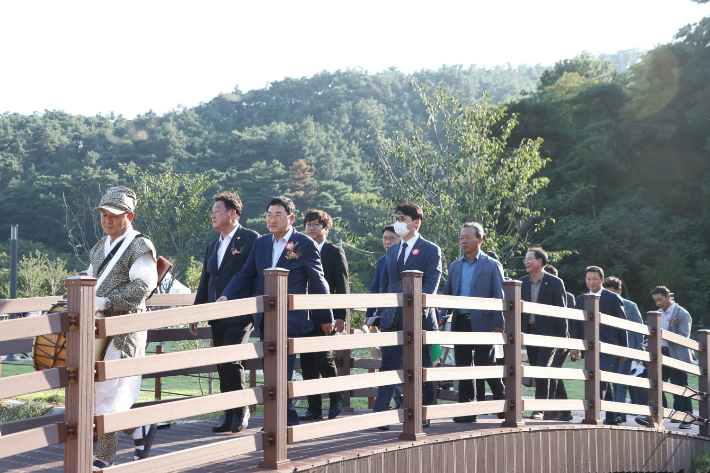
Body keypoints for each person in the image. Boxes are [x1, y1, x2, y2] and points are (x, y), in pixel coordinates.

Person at [218, 196, 333, 426]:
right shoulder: (261, 243)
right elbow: (246, 273)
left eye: (277, 215)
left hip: (291, 319)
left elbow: (318, 282)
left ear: (290, 218)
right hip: (267, 318)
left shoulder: (304, 244)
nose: (272, 219)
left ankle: (283, 420)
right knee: (271, 371)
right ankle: (284, 418)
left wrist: (326, 315)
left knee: (283, 371)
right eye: (269, 215)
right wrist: (227, 294)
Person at [88, 186, 158, 470]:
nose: (107, 220)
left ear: (129, 216)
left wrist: (106, 301)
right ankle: (139, 427)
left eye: (113, 215)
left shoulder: (141, 245)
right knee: (96, 390)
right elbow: (90, 279)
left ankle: (104, 459)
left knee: (110, 392)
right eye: (104, 214)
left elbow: (143, 286)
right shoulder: (98, 247)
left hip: (125, 330)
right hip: (98, 329)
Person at [190, 192, 260, 433]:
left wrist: (256, 308)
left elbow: (256, 274)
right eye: (212, 210)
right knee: (221, 363)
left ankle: (241, 411)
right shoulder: (213, 246)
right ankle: (228, 414)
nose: (212, 214)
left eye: (217, 210)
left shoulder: (250, 238)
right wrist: (196, 312)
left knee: (232, 360)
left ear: (233, 213)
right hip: (216, 314)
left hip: (241, 313)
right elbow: (205, 282)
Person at [374, 201, 442, 430]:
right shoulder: (392, 250)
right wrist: (378, 313)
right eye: (397, 217)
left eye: (402, 218)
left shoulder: (430, 249)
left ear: (416, 222)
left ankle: (423, 412)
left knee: (422, 367)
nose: (398, 222)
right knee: (388, 365)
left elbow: (432, 282)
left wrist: (417, 308)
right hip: (392, 317)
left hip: (420, 317)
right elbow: (385, 285)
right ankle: (380, 414)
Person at [437, 222, 505, 423]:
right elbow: (448, 293)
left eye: (467, 237)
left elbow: (499, 295)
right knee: (463, 366)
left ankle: (503, 403)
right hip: (460, 321)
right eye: (461, 238)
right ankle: (468, 409)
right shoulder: (455, 266)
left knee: (486, 364)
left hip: (484, 322)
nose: (463, 241)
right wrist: (443, 315)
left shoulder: (492, 265)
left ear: (479, 240)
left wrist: (499, 321)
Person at [299, 209, 348, 421]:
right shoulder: (299, 250)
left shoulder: (334, 252)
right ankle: (314, 408)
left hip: (326, 315)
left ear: (326, 228)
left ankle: (336, 398)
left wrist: (341, 316)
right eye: (308, 225)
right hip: (304, 315)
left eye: (315, 225)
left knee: (323, 358)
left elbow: (342, 286)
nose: (310, 228)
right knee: (307, 362)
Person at [569, 266, 628, 425]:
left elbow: (622, 324)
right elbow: (576, 324)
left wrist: (624, 349)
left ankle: (593, 413)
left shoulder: (613, 298)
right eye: (588, 279)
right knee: (601, 380)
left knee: (599, 378)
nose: (591, 282)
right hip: (589, 347)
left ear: (602, 280)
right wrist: (574, 346)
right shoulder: (580, 299)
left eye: (595, 279)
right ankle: (611, 416)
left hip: (609, 346)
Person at [520, 247, 568, 420]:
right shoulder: (522, 282)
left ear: (540, 261)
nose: (525, 262)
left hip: (549, 334)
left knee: (542, 368)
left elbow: (562, 311)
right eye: (525, 259)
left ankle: (538, 408)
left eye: (529, 259)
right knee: (536, 369)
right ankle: (547, 407)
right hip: (529, 332)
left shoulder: (555, 282)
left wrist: (564, 339)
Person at [636, 286, 693, 429]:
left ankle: (687, 418)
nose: (658, 303)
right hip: (661, 354)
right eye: (655, 300)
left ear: (668, 296)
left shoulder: (682, 313)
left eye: (660, 299)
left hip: (676, 355)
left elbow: (683, 336)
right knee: (656, 385)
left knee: (682, 387)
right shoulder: (658, 314)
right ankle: (654, 416)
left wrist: (663, 337)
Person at [365, 225, 403, 408]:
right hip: (388, 317)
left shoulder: (406, 259)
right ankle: (383, 408)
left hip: (408, 317)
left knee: (407, 362)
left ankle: (405, 400)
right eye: (385, 239)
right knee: (389, 361)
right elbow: (375, 288)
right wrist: (370, 314)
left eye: (392, 239)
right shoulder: (382, 261)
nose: (387, 243)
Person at [602, 276, 645, 423]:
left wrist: (639, 351)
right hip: (610, 348)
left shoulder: (630, 306)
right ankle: (615, 411)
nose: (610, 295)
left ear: (620, 291)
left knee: (621, 382)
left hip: (627, 349)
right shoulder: (602, 304)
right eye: (607, 292)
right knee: (611, 381)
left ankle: (619, 412)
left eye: (613, 292)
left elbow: (639, 329)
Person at [543, 264, 575, 421]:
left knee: (552, 371)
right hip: (543, 339)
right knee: (552, 374)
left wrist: (571, 343)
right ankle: (565, 410)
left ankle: (549, 410)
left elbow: (572, 321)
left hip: (560, 341)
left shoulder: (567, 296)